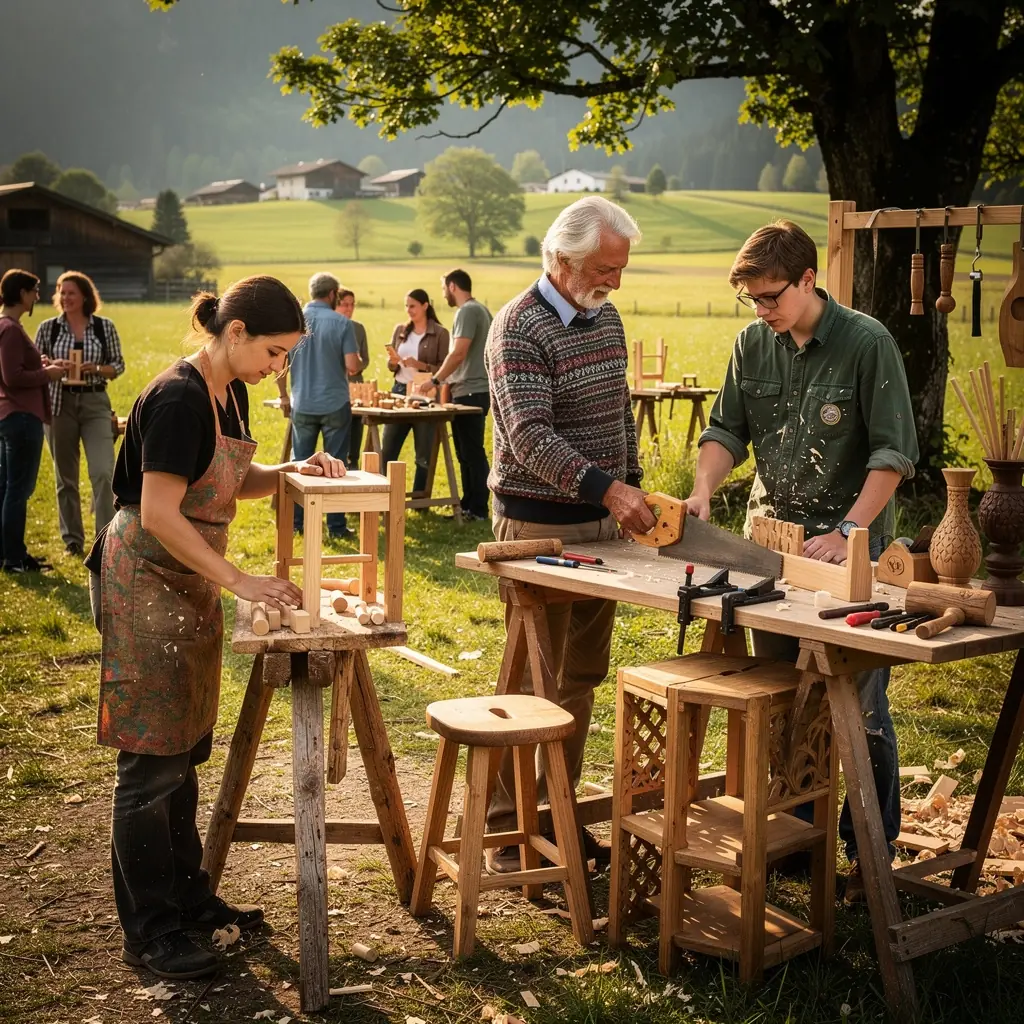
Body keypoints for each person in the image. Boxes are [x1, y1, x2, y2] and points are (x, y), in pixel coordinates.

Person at [83, 276, 346, 980]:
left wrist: (289, 470)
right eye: (274, 351)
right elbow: (164, 512)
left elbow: (229, 478)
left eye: (287, 355)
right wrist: (241, 583)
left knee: (183, 749)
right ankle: (151, 932)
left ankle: (188, 901)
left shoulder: (228, 390)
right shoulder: (177, 395)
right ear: (234, 334)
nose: (278, 367)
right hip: (144, 576)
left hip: (186, 579)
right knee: (149, 763)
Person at [685, 220, 919, 902]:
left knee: (858, 707)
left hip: (852, 556)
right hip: (776, 548)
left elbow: (892, 454)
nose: (761, 310)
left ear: (809, 280)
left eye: (771, 296)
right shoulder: (752, 343)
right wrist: (703, 489)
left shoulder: (866, 343)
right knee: (787, 696)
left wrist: (848, 530)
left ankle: (868, 855)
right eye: (751, 299)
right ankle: (798, 837)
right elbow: (726, 429)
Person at [484, 195, 657, 872]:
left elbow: (618, 415)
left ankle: (553, 817)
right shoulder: (517, 326)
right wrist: (607, 490)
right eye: (604, 268)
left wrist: (632, 485)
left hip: (603, 524)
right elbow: (528, 436)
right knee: (533, 680)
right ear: (560, 258)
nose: (614, 281)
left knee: (580, 678)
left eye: (620, 269)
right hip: (539, 528)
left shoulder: (605, 319)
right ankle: (506, 833)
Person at [36, 271, 125, 557]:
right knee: (66, 477)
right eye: (61, 293)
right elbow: (36, 364)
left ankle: (105, 540)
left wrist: (95, 369)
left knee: (102, 472)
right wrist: (51, 364)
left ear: (85, 296)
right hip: (59, 404)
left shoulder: (103, 327)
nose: (65, 298)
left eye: (71, 293)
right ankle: (72, 540)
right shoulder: (48, 328)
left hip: (95, 402)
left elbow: (118, 365)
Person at [276, 272, 361, 539]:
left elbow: (280, 366)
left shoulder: (293, 322)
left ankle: (297, 522)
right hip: (334, 402)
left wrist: (284, 396)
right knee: (336, 465)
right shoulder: (341, 323)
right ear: (333, 294)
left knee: (299, 463)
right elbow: (352, 365)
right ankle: (336, 526)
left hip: (302, 402)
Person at [0, 269, 69, 573]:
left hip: (9, 416)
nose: (38, 297)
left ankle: (11, 554)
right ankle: (14, 558)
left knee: (7, 489)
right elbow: (12, 377)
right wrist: (49, 373)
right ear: (23, 294)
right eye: (35, 291)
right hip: (22, 418)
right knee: (18, 490)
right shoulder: (11, 329)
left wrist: (41, 363)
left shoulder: (5, 326)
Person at [418, 269, 492, 520]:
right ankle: (469, 505)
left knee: (471, 452)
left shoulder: (467, 311)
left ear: (452, 287)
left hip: (470, 390)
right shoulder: (481, 310)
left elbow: (459, 352)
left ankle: (478, 509)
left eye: (443, 289)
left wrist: (435, 380)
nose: (443, 295)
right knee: (466, 452)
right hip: (474, 390)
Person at [380, 289, 449, 495]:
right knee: (388, 449)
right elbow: (392, 367)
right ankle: (383, 495)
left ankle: (420, 499)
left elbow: (445, 369)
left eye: (412, 306)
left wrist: (420, 364)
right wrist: (392, 363)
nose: (408, 310)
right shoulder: (400, 330)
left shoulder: (440, 333)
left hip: (425, 395)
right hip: (400, 392)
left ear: (425, 306)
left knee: (423, 453)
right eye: (406, 306)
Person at [336, 287, 370, 467]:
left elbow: (366, 358)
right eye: (344, 305)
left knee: (357, 426)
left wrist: (358, 367)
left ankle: (354, 462)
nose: (349, 309)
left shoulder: (358, 328)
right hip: (336, 388)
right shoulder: (331, 327)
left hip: (356, 386)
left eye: (352, 305)